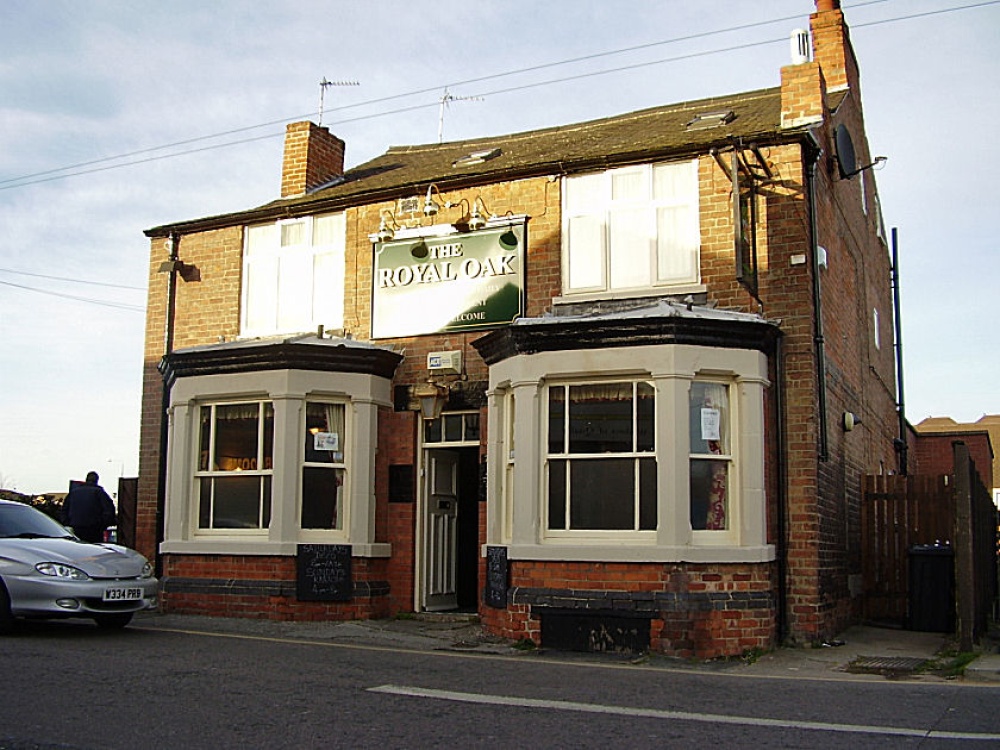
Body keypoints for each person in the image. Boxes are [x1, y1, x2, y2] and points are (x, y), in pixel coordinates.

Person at [62, 471, 116, 543]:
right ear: (97, 480)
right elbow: (109, 510)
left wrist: (68, 523)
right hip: (94, 530)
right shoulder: (99, 493)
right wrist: (102, 525)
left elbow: (64, 511)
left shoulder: (73, 493)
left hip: (75, 529)